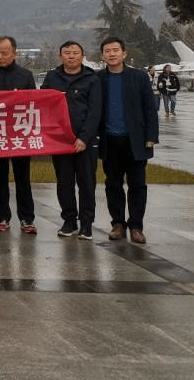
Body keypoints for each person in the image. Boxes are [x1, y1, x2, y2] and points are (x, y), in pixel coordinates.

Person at [99, 36, 159, 244]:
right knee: (112, 184)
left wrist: (151, 137)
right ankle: (118, 224)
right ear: (102, 55)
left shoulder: (139, 77)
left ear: (124, 54)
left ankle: (136, 226)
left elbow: (150, 109)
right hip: (110, 140)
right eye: (107, 51)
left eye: (116, 50)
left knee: (137, 185)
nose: (112, 54)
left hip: (136, 141)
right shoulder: (98, 79)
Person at [41, 41, 101, 240]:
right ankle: (69, 221)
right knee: (64, 183)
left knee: (87, 184)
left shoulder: (92, 79)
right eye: (67, 53)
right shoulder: (52, 77)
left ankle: (86, 224)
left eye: (75, 53)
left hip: (86, 142)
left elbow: (95, 111)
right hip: (60, 141)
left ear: (83, 56)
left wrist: (84, 138)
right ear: (60, 57)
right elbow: (42, 104)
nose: (71, 56)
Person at [0, 36, 38, 234]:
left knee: (23, 177)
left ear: (14, 53)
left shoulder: (25, 75)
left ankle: (27, 218)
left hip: (19, 135)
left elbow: (34, 104)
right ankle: (1, 217)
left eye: (4, 53)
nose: (0, 56)